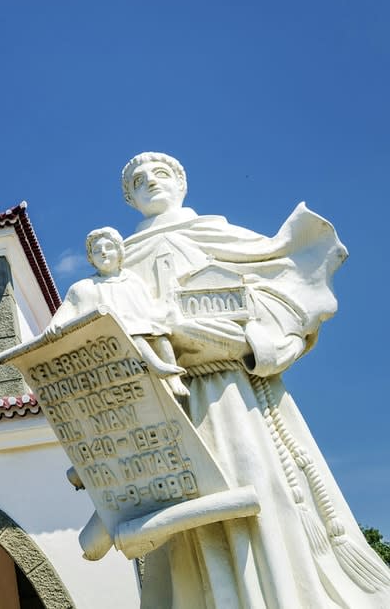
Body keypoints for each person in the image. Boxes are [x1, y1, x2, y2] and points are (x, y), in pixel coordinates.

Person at [117, 152, 389, 608]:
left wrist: (255, 344)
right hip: (172, 410)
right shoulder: (121, 263)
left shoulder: (217, 235)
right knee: (191, 529)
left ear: (182, 183)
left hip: (234, 394)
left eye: (160, 174)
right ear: (129, 199)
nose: (150, 183)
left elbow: (282, 297)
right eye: (138, 181)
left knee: (265, 495)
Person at [47, 226, 189, 398]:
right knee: (130, 329)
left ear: (119, 251)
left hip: (142, 327)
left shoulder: (132, 280)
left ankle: (173, 378)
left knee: (161, 335)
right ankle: (157, 365)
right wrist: (54, 324)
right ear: (91, 257)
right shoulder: (83, 287)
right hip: (108, 336)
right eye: (97, 250)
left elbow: (147, 307)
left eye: (108, 248)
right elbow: (67, 308)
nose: (103, 253)